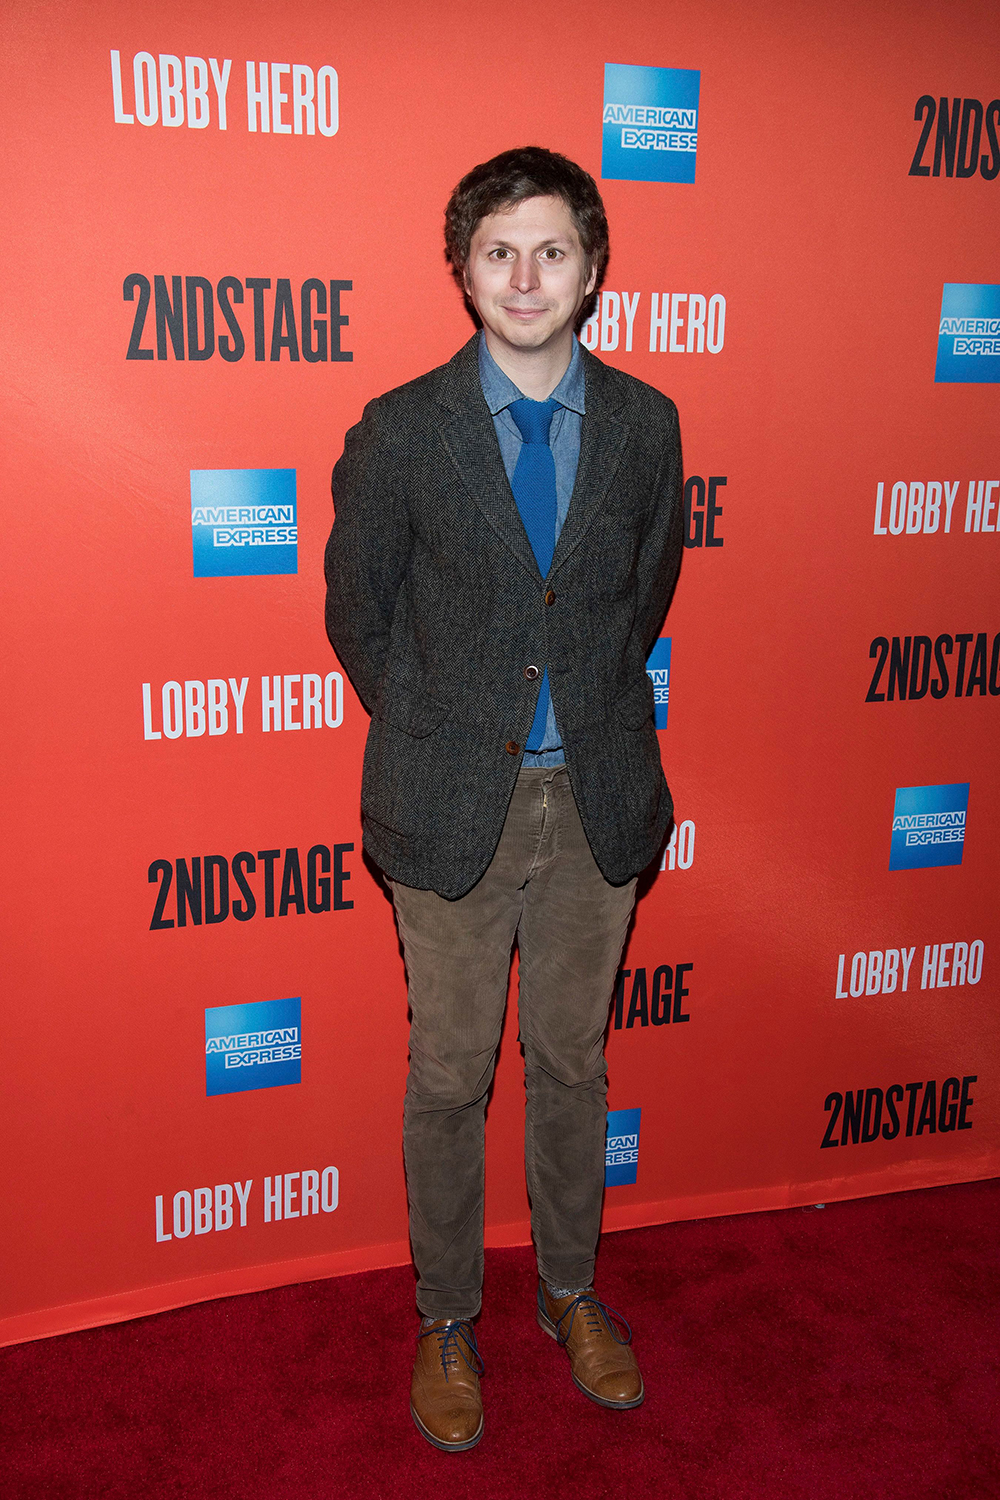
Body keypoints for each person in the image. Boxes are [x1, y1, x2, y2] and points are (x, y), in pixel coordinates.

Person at [325, 146, 683, 1452]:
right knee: (447, 1074)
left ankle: (573, 1293)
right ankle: (446, 1314)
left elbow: (637, 602)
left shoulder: (647, 427)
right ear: (463, 269)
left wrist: (568, 707)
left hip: (598, 799)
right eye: (497, 251)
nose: (525, 277)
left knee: (575, 1062)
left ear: (592, 269)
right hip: (449, 808)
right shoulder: (400, 430)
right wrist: (454, 726)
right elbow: (359, 617)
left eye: (552, 251)